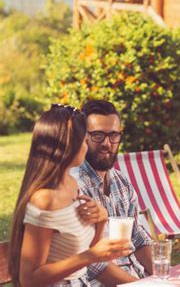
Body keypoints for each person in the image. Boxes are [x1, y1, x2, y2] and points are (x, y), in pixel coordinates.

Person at [8, 104, 131, 287]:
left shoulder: (71, 185)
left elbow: (88, 250)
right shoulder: (45, 199)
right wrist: (91, 256)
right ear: (67, 146)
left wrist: (101, 220)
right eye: (83, 141)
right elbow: (29, 279)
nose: (85, 146)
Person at [72, 100, 153, 286]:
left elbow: (138, 238)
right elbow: (93, 265)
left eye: (113, 135)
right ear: (83, 137)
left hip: (135, 278)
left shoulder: (121, 180)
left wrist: (163, 278)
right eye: (98, 135)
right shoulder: (75, 186)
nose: (107, 144)